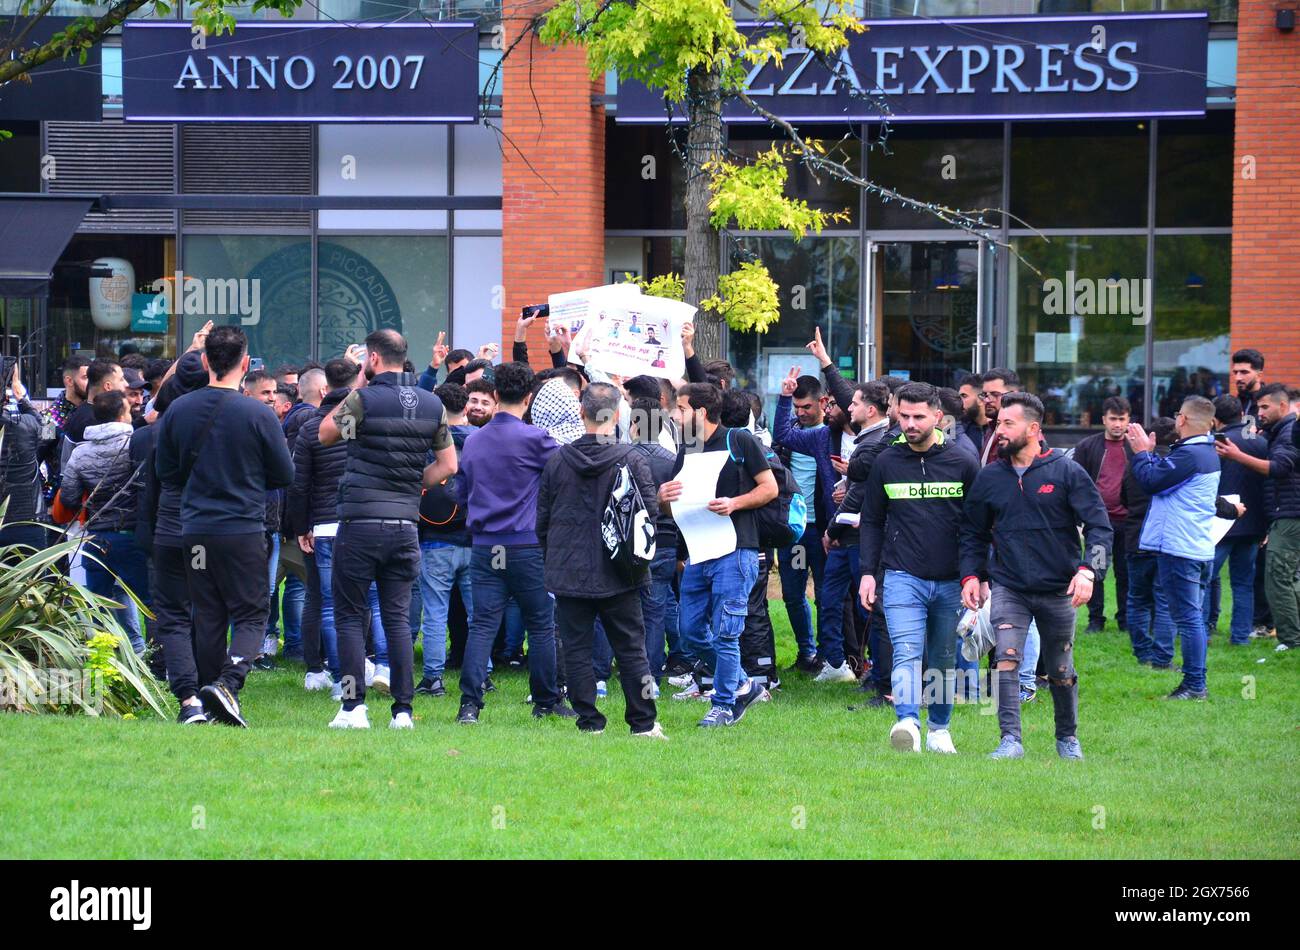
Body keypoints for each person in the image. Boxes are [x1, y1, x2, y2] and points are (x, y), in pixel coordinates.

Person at [155, 326, 295, 727]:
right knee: (252, 611)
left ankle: (203, 695)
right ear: (246, 365)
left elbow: (166, 471)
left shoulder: (179, 410)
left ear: (203, 361)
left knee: (208, 612)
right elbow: (284, 474)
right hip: (242, 528)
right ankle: (229, 683)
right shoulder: (259, 414)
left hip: (195, 529)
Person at [960, 392, 1111, 760]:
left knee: (1060, 669)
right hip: (1009, 586)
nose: (1000, 432)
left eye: (1008, 424)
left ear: (1034, 428)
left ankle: (1067, 738)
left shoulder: (1066, 471)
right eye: (998, 425)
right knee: (1007, 657)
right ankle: (1010, 740)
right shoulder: (991, 476)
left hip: (1059, 590)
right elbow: (972, 532)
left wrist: (1089, 572)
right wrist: (971, 576)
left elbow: (1100, 527)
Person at [317, 330, 457, 730]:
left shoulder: (363, 398)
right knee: (397, 618)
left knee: (348, 615)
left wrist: (357, 385)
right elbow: (449, 466)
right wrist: (415, 485)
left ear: (373, 359)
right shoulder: (433, 404)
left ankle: (352, 707)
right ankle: (403, 711)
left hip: (360, 523)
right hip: (404, 526)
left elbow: (325, 433)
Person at [537, 382, 666, 737]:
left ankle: (589, 721)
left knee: (576, 650)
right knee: (631, 649)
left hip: (569, 572)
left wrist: (555, 559)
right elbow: (649, 515)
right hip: (620, 571)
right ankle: (643, 722)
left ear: (582, 413)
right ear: (619, 414)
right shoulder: (631, 458)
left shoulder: (557, 461)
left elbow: (542, 521)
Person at [857, 383, 979, 754]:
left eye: (918, 417)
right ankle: (907, 722)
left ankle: (940, 730)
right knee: (907, 650)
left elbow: (977, 526)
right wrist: (867, 572)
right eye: (903, 415)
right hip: (900, 576)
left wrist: (976, 576)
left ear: (938, 417)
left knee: (942, 658)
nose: (909, 423)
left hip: (951, 580)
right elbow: (872, 521)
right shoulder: (886, 462)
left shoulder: (963, 462)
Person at [455, 361, 573, 724]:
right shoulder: (537, 439)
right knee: (540, 623)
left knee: (483, 624)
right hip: (525, 545)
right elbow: (563, 481)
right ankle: (545, 701)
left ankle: (470, 705)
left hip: (485, 545)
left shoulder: (474, 440)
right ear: (529, 397)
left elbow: (461, 493)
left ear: (493, 396)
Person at [658, 383, 777, 727]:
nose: (674, 415)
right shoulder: (687, 449)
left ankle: (724, 704)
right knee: (690, 630)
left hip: (735, 550)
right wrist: (663, 496)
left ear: (700, 412)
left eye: (680, 409)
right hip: (698, 551)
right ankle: (742, 684)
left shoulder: (739, 440)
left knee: (727, 631)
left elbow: (769, 488)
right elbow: (668, 506)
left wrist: (735, 503)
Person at [1126, 396, 1221, 698]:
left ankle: (1195, 685)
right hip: (1194, 545)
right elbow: (1164, 481)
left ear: (1182, 419)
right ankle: (1195, 683)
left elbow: (1151, 482)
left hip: (1181, 548)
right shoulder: (1203, 452)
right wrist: (1151, 456)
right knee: (1191, 616)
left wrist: (1142, 453)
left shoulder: (1190, 455)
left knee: (1188, 618)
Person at [287, 358, 361, 695]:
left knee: (323, 600)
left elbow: (298, 485)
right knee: (363, 602)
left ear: (324, 388)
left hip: (324, 526)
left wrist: (302, 527)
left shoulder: (310, 427)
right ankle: (376, 666)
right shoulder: (366, 419)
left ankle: (324, 673)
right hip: (361, 521)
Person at [61, 390, 151, 654]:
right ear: (122, 414)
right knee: (151, 601)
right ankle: (157, 660)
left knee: (98, 604)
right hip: (130, 533)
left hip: (95, 538)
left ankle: (103, 658)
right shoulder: (135, 443)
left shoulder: (80, 452)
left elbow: (68, 496)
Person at [1216, 382, 1299, 653]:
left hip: (1280, 516)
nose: (1259, 412)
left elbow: (1278, 468)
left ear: (1283, 406)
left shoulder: (1286, 433)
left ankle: (1290, 640)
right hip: (1265, 521)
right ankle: (1246, 636)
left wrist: (1237, 455)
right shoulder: (1272, 435)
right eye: (1257, 407)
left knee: (1277, 577)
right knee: (1266, 579)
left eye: (1265, 407)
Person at [415, 382, 477, 697]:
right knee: (478, 612)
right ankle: (483, 674)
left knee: (436, 610)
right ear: (466, 407)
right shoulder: (482, 441)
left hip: (435, 538)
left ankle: (434, 678)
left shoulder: (429, 444)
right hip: (476, 538)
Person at [771, 370, 833, 675]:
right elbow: (778, 438)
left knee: (825, 594)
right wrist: (784, 399)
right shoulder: (791, 435)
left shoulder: (830, 436)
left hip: (822, 529)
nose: (801, 413)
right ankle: (806, 652)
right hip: (794, 530)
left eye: (806, 407)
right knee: (793, 594)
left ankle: (828, 654)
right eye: (796, 408)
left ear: (822, 402)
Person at [1202, 395, 1268, 645]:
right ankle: (1240, 637)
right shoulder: (1260, 443)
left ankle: (1202, 632)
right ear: (1242, 414)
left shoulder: (1211, 444)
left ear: (1215, 419)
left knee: (1204, 580)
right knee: (1243, 583)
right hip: (1252, 524)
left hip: (1220, 524)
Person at [1071, 395, 1135, 633]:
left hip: (1128, 522)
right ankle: (1096, 619)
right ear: (1104, 420)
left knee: (1125, 573)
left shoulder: (1134, 445)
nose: (1118, 424)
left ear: (1129, 420)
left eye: (1122, 419)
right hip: (1098, 524)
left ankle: (1125, 619)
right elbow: (1077, 482)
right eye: (1113, 419)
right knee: (1095, 569)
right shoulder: (1088, 446)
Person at [0, 364, 53, 554]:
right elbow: (50, 430)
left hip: (22, 522)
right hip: (26, 521)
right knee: (32, 582)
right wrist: (23, 398)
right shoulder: (26, 425)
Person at [976, 368, 1019, 466]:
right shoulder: (991, 428)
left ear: (1014, 394)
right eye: (984, 395)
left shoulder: (1018, 435)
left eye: (995, 394)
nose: (987, 400)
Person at [1231, 348, 1266, 421]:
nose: (1238, 378)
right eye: (1235, 372)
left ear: (1259, 375)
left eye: (1244, 372)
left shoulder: (1270, 404)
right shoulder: (1232, 405)